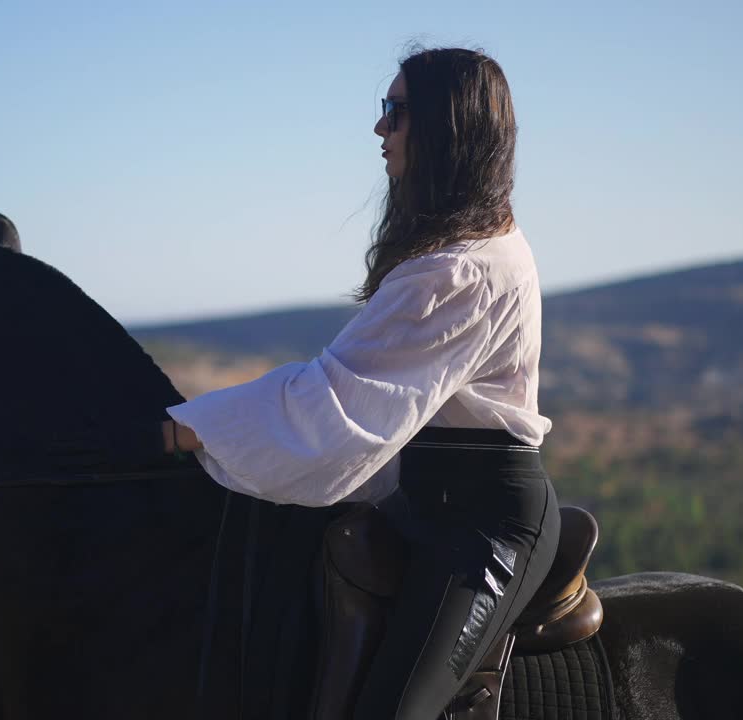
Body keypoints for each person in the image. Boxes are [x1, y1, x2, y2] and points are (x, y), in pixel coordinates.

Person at [159, 47, 560, 720]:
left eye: (395, 112)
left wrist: (193, 428)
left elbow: (336, 406)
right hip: (423, 502)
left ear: (446, 126)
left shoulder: (463, 271)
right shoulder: (453, 254)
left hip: (481, 531)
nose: (381, 129)